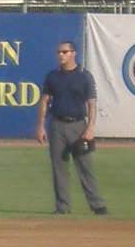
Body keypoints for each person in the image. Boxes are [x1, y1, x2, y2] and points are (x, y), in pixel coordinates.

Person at [35, 40, 108, 215]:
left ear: (73, 53)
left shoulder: (84, 76)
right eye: (59, 52)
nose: (61, 55)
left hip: (78, 125)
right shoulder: (52, 76)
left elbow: (91, 104)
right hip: (57, 125)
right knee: (59, 167)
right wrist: (40, 126)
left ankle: (97, 205)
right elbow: (44, 101)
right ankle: (62, 207)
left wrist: (90, 127)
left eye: (65, 52)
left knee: (85, 166)